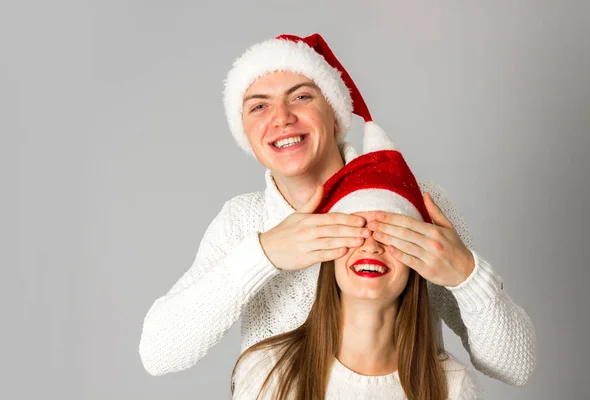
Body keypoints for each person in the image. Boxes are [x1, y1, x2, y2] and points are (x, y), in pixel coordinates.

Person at [138, 33, 536, 387]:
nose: (282, 118)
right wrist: (264, 254)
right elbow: (159, 353)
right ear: (245, 131)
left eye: (301, 96)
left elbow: (513, 367)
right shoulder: (243, 222)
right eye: (258, 106)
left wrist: (467, 276)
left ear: (335, 114)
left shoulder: (416, 204)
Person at [231, 133, 484, 399]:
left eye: (389, 233)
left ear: (418, 259)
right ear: (330, 254)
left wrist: (467, 272)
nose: (372, 246)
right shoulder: (267, 370)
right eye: (357, 230)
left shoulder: (452, 385)